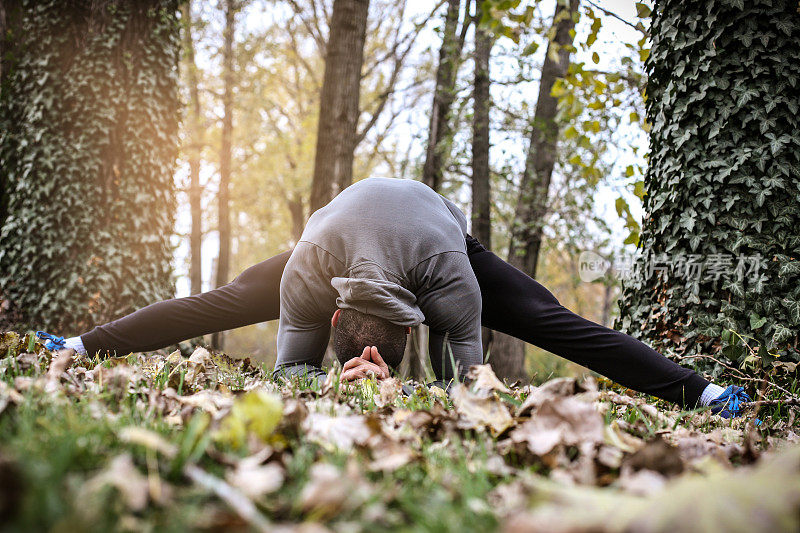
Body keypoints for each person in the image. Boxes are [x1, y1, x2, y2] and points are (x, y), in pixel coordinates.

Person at [37, 178, 751, 418]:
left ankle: (703, 391)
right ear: (333, 319)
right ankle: (78, 342)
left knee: (550, 321)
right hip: (334, 238)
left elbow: (468, 384)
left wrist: (416, 391)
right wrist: (342, 390)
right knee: (225, 299)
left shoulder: (450, 287)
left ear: (421, 324)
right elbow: (292, 375)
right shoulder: (310, 278)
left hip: (440, 237)